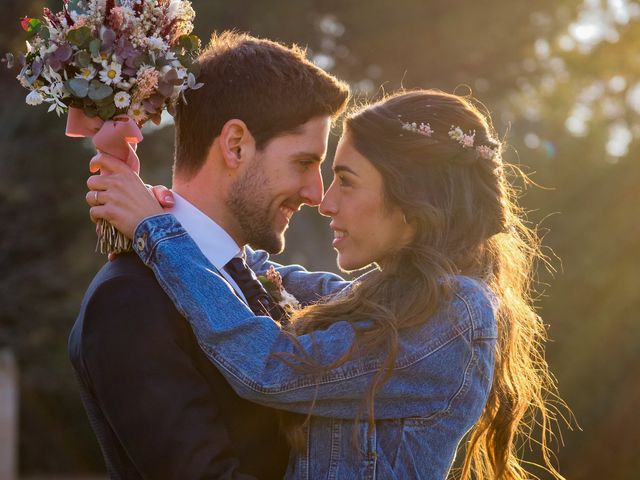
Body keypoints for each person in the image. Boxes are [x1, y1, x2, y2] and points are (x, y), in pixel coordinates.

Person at [87, 90, 566, 479]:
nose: (325, 200)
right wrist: (173, 218)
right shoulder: (398, 298)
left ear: (411, 198)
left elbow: (270, 369)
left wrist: (158, 233)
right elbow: (265, 274)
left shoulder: (455, 315)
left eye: (346, 181)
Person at [69, 31, 350, 479]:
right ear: (235, 144)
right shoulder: (128, 300)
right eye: (303, 162)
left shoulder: (248, 274)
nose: (316, 194)